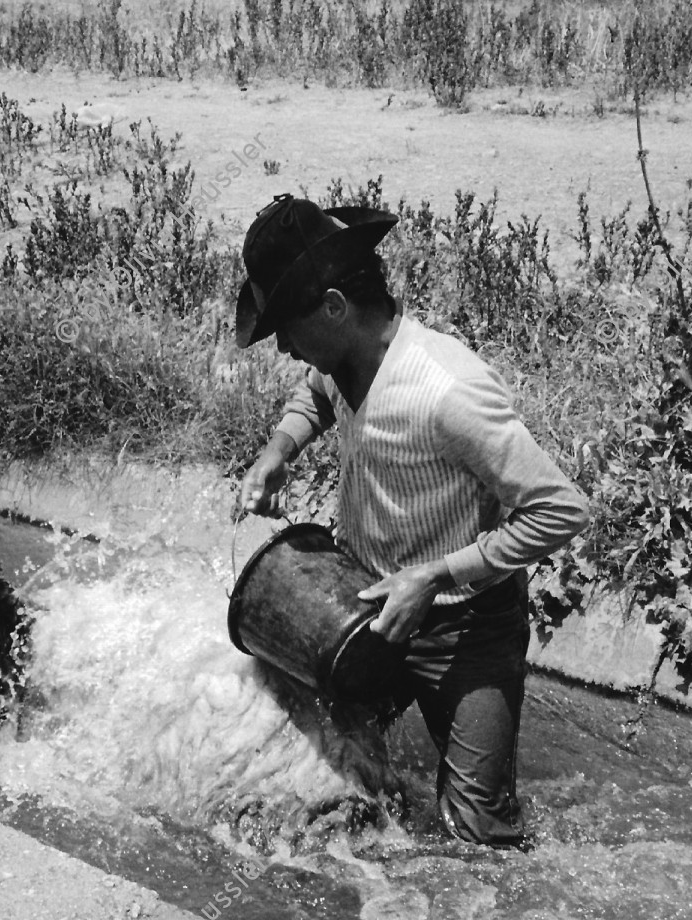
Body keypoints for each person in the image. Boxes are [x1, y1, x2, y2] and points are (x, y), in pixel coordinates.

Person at [236, 194, 590, 849]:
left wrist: (434, 575)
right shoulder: (341, 362)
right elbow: (314, 395)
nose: (283, 345)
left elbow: (561, 508)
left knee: (481, 838)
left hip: (466, 625)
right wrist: (278, 450)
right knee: (321, 785)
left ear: (335, 307)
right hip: (364, 607)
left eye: (287, 326)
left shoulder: (447, 391)